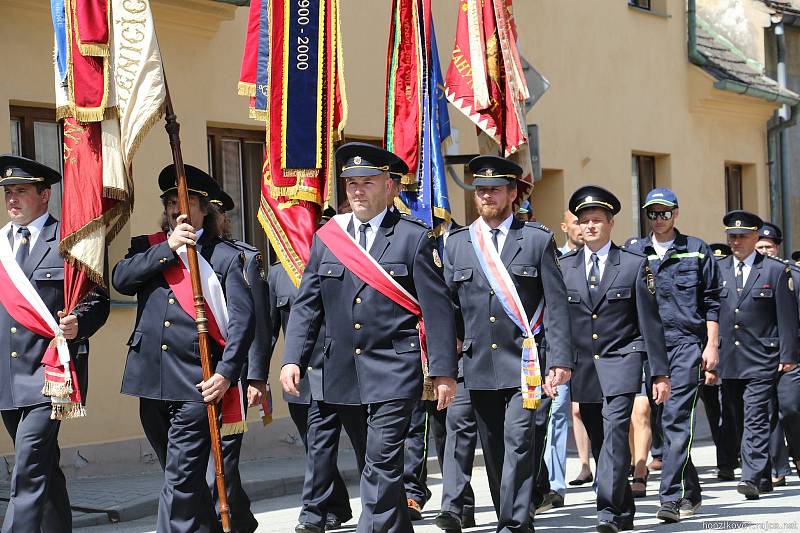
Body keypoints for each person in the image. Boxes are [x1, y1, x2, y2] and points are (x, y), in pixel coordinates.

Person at [280, 142, 457, 533]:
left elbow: (438, 309)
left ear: (391, 187)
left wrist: (444, 372)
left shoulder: (414, 238)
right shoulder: (329, 237)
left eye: (367, 182)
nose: (357, 191)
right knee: (376, 466)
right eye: (351, 183)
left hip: (394, 367)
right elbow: (308, 305)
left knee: (380, 460)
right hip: (340, 369)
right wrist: (293, 357)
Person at [112, 164, 254, 532]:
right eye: (172, 201)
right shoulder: (150, 247)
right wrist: (169, 250)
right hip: (151, 380)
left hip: (197, 381)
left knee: (180, 479)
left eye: (186, 201)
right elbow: (122, 280)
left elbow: (242, 321)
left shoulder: (222, 256)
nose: (178, 208)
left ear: (204, 209)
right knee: (181, 480)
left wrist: (226, 373)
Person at [443, 155, 573, 533]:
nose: (485, 196)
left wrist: (559, 360)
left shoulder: (535, 240)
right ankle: (509, 511)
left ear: (512, 193)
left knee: (519, 440)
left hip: (525, 362)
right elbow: (448, 307)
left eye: (494, 190)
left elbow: (557, 306)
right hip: (478, 362)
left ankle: (515, 522)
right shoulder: (458, 244)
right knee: (494, 447)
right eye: (480, 190)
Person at [0, 155, 110, 533]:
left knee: (28, 468)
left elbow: (98, 299)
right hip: (7, 377)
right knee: (43, 465)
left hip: (51, 375)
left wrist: (80, 322)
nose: (12, 199)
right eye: (8, 192)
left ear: (45, 195)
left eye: (21, 191)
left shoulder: (69, 242)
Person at [560, 185, 670, 533]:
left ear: (610, 224)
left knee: (613, 428)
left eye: (597, 220)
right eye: (584, 221)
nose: (590, 226)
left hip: (622, 359)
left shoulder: (634, 265)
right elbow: (558, 322)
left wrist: (659, 374)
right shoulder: (563, 267)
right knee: (602, 437)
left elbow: (649, 324)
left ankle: (606, 509)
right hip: (584, 367)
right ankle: (624, 507)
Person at [625, 188, 722, 522]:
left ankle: (670, 498)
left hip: (685, 345)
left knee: (676, 418)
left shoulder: (696, 250)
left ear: (676, 213)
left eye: (665, 212)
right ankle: (690, 491)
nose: (659, 219)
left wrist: (711, 345)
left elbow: (711, 302)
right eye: (653, 213)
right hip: (649, 347)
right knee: (663, 422)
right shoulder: (635, 251)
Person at [270, 208, 367, 533]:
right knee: (318, 448)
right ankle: (316, 513)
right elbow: (280, 324)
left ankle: (377, 508)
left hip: (353, 373)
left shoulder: (355, 263)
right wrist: (276, 367)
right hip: (311, 376)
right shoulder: (279, 273)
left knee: (368, 448)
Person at [717, 210, 798, 500]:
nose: (736, 241)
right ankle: (763, 473)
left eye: (741, 236)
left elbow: (786, 318)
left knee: (756, 416)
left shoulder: (775, 270)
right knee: (737, 417)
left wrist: (787, 354)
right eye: (731, 236)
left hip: (763, 355)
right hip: (728, 357)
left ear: (756, 237)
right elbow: (712, 313)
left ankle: (750, 476)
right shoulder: (718, 268)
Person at [203, 190, 271, 533]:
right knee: (213, 460)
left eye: (214, 212)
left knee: (223, 455)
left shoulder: (242, 258)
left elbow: (257, 322)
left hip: (233, 375)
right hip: (195, 374)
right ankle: (240, 517)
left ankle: (223, 519)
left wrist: (257, 378)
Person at [754, 222, 792, 487]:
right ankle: (773, 468)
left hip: (787, 355)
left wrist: (788, 354)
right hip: (758, 356)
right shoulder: (747, 275)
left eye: (768, 247)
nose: (764, 251)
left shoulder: (787, 274)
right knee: (765, 413)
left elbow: (790, 320)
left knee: (789, 410)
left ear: (777, 248)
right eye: (760, 247)